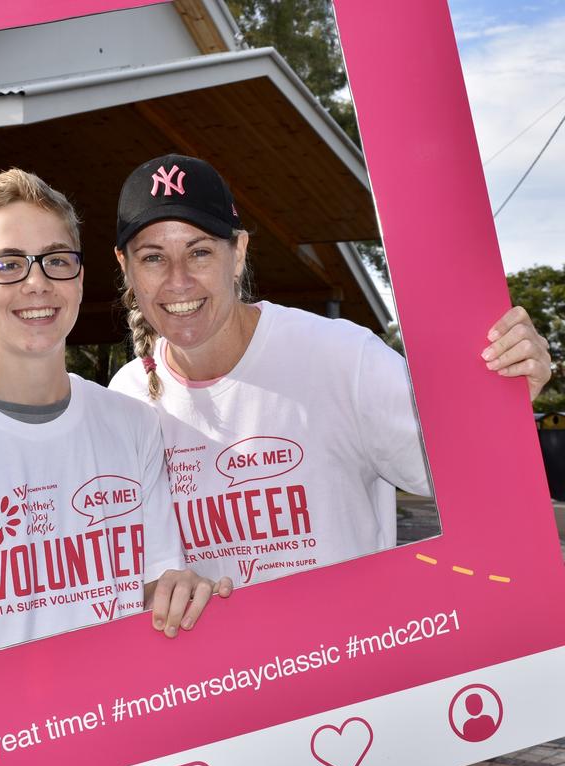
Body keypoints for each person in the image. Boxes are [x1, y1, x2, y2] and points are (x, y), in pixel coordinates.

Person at [109, 154, 553, 587]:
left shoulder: (343, 358)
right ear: (125, 267)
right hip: (221, 665)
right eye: (152, 258)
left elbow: (467, 467)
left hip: (353, 655)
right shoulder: (126, 398)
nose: (179, 280)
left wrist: (505, 393)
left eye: (200, 252)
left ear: (238, 252)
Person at [0, 169, 230, 671]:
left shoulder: (134, 424)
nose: (37, 282)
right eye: (7, 264)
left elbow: (160, 592)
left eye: (57, 260)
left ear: (81, 278)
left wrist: (187, 593)